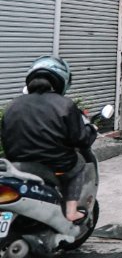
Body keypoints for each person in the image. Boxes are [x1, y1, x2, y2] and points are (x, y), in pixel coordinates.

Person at [0, 56, 97, 222]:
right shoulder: (65, 104)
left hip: (17, 162)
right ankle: (71, 212)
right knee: (79, 163)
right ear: (61, 81)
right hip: (56, 163)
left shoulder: (12, 105)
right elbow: (80, 140)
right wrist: (91, 130)